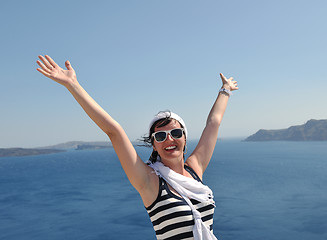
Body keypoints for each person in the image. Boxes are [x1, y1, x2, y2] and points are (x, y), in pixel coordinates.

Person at [36, 55, 238, 240]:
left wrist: (225, 89)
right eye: (161, 136)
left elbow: (213, 123)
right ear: (154, 145)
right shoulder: (149, 181)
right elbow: (113, 131)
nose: (169, 140)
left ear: (184, 138)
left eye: (176, 133)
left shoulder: (195, 169)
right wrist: (73, 85)